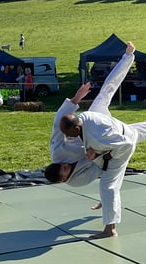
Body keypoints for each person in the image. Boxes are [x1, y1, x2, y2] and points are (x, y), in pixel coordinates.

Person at [57, 106, 146, 239]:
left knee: (108, 186)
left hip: (122, 149)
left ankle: (110, 229)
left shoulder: (98, 136)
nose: (69, 137)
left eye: (69, 134)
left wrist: (108, 156)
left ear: (76, 127)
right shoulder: (84, 117)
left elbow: (127, 144)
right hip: (124, 130)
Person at [47, 41, 138, 189]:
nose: (65, 164)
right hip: (102, 146)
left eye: (61, 164)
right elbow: (101, 169)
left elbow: (58, 122)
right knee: (134, 134)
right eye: (65, 168)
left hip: (88, 126)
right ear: (64, 179)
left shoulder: (57, 152)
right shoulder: (78, 181)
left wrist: (76, 98)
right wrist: (95, 157)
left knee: (104, 94)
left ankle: (128, 55)